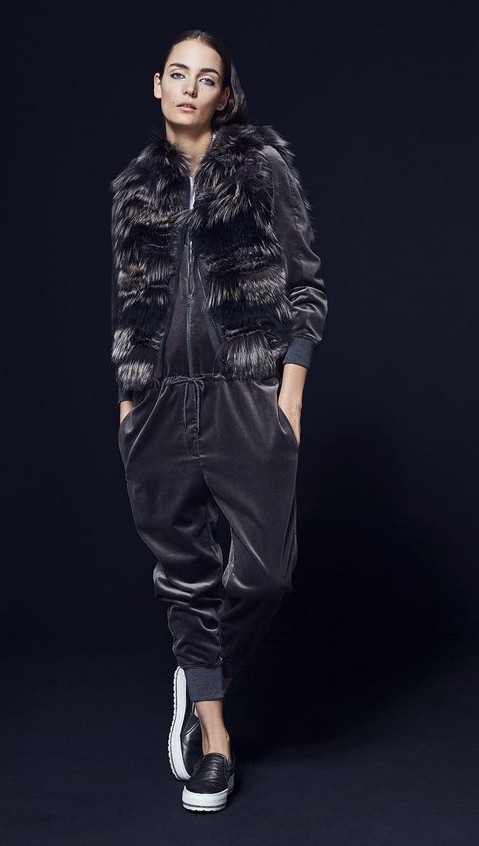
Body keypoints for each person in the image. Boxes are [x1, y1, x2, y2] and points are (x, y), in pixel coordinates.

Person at [110, 29, 328, 812]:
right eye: (178, 74)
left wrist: (287, 396)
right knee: (186, 575)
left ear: (224, 95)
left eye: (206, 79)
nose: (190, 88)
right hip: (159, 405)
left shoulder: (261, 167)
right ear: (157, 84)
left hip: (245, 396)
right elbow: (131, 302)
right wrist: (130, 400)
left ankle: (204, 675)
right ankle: (215, 742)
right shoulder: (134, 188)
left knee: (265, 574)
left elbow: (306, 287)